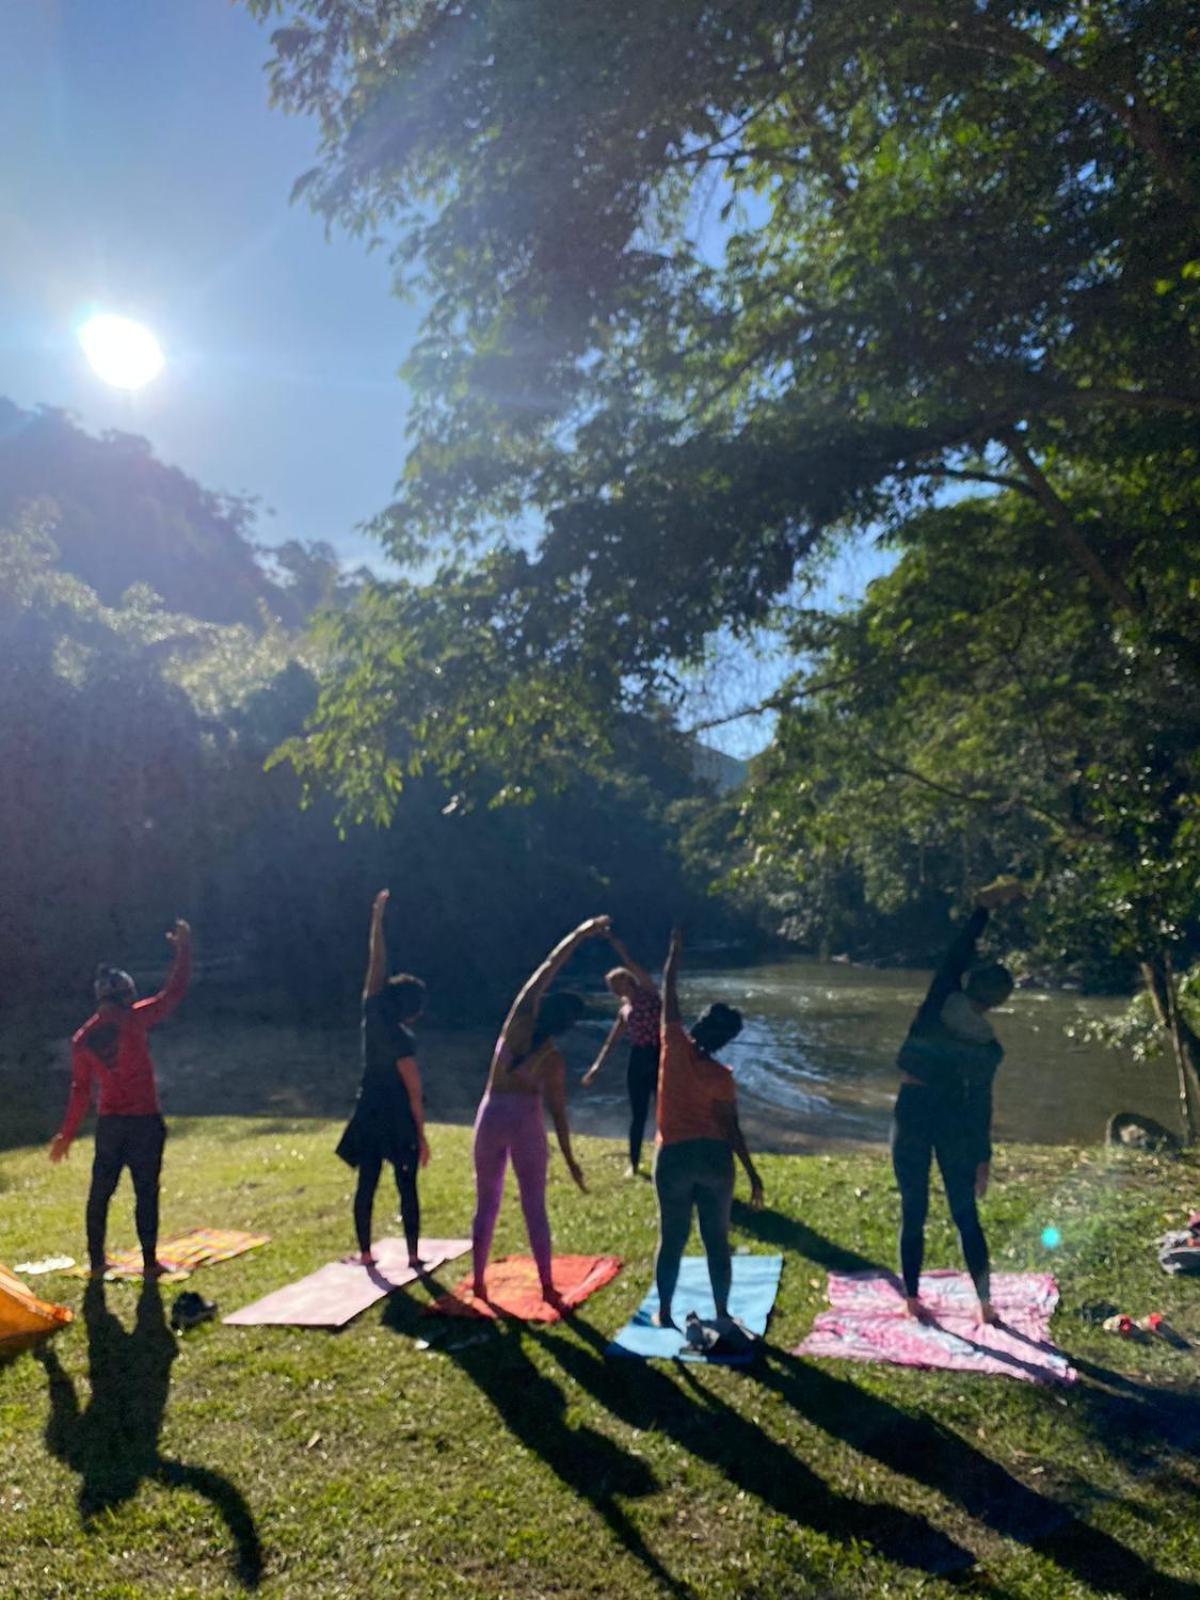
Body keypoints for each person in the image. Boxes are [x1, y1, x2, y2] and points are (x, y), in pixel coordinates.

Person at [891, 881, 1023, 1324]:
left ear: (971, 984)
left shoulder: (939, 1003)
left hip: (912, 1111)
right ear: (998, 1004)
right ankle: (985, 1306)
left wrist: (981, 911)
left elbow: (957, 953)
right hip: (953, 1123)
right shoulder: (989, 1047)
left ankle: (911, 1298)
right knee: (965, 1214)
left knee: (914, 1209)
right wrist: (982, 1158)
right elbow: (981, 1105)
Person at [470, 916, 610, 1302]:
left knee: (487, 1201)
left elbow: (549, 966)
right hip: (525, 1120)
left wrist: (581, 933)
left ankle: (479, 1282)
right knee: (534, 1204)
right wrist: (570, 1160)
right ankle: (547, 1286)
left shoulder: (517, 1020)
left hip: (491, 1113)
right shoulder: (553, 1059)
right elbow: (559, 1114)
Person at [50, 919, 192, 1278]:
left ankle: (97, 1263)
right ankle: (149, 1263)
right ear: (127, 995)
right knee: (146, 1192)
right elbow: (173, 993)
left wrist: (66, 1134)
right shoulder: (135, 1019)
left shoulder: (83, 1039)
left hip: (110, 1126)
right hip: (144, 1122)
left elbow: (80, 1091)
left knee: (101, 1193)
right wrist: (183, 949)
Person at [652, 925, 764, 1329]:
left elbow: (669, 994)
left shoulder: (673, 1048)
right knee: (716, 1242)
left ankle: (664, 1312)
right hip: (715, 1159)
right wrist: (753, 1175)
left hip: (675, 1157)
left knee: (673, 1240)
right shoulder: (722, 1076)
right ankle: (720, 1312)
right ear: (726, 1041)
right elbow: (733, 1132)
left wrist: (675, 953)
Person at [336, 890, 429, 1270]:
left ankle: (366, 1254)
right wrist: (421, 1136)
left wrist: (376, 920)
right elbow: (415, 1092)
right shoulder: (403, 1039)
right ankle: (411, 1255)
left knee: (367, 1185)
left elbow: (377, 962)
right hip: (396, 1116)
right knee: (406, 1186)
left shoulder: (372, 1011)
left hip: (368, 1111)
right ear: (412, 1011)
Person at [582, 931, 661, 1176]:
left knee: (664, 1114)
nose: (613, 991)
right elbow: (611, 1042)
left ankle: (665, 1160)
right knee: (638, 1114)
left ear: (628, 981)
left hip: (659, 1057)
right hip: (638, 1059)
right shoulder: (625, 1010)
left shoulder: (650, 994)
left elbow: (632, 965)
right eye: (610, 988)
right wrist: (595, 1067)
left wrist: (618, 946)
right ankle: (634, 1163)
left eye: (616, 985)